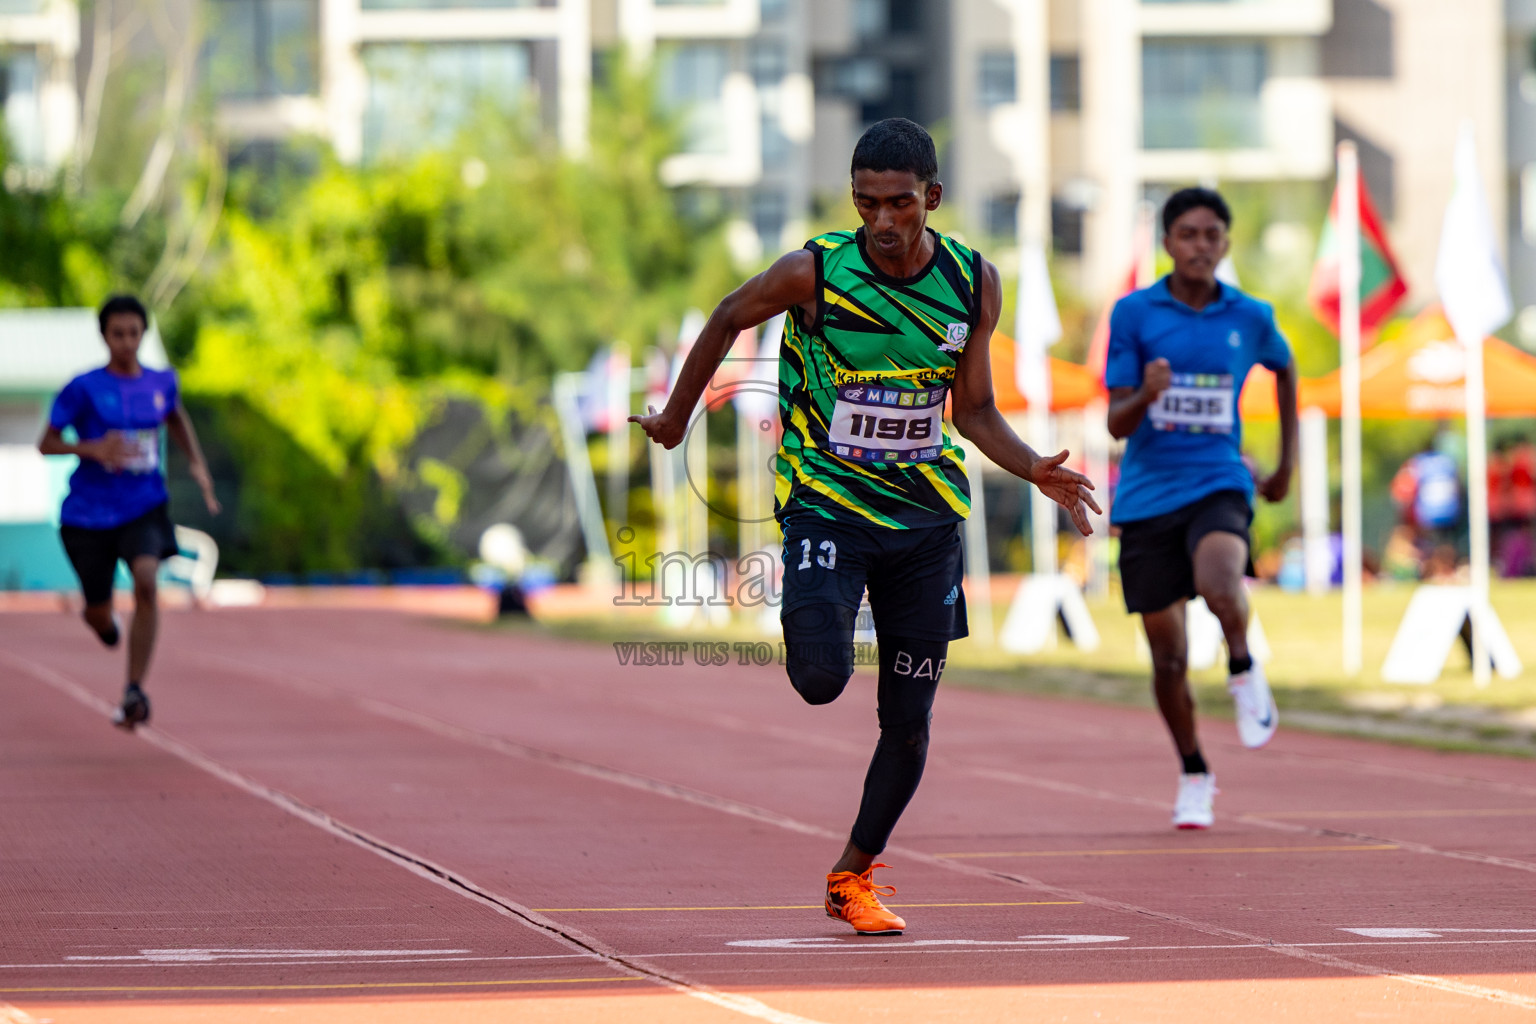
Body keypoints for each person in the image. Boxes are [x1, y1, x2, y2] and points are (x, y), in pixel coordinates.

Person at [632, 118, 1099, 934]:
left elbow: (976, 409)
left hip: (925, 522)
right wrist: (677, 416)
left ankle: (851, 875)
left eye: (900, 204)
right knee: (818, 677)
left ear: (934, 200)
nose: (882, 222)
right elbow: (726, 315)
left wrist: (1034, 468)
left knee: (910, 718)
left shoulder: (971, 282)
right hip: (827, 503)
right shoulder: (813, 273)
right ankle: (822, 600)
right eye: (866, 204)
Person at [1105, 188, 1297, 830]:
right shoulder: (1135, 313)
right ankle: (1194, 770)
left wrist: (1285, 465)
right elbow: (1116, 422)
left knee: (1220, 583)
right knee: (1168, 659)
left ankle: (1242, 666)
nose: (1200, 246)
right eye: (1187, 234)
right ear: (1167, 242)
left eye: (1212, 234)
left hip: (1219, 478)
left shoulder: (1250, 314)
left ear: (1226, 243)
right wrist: (1147, 394)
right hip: (1147, 496)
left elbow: (1287, 370)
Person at [38, 295, 221, 729]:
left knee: (145, 582)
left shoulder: (161, 382)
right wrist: (92, 448)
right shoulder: (82, 388)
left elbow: (176, 418)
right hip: (87, 515)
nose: (126, 342)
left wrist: (196, 462)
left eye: (133, 333)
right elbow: (46, 443)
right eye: (117, 334)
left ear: (144, 334)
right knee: (98, 611)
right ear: (104, 337)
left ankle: (134, 688)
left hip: (143, 505)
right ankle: (102, 623)